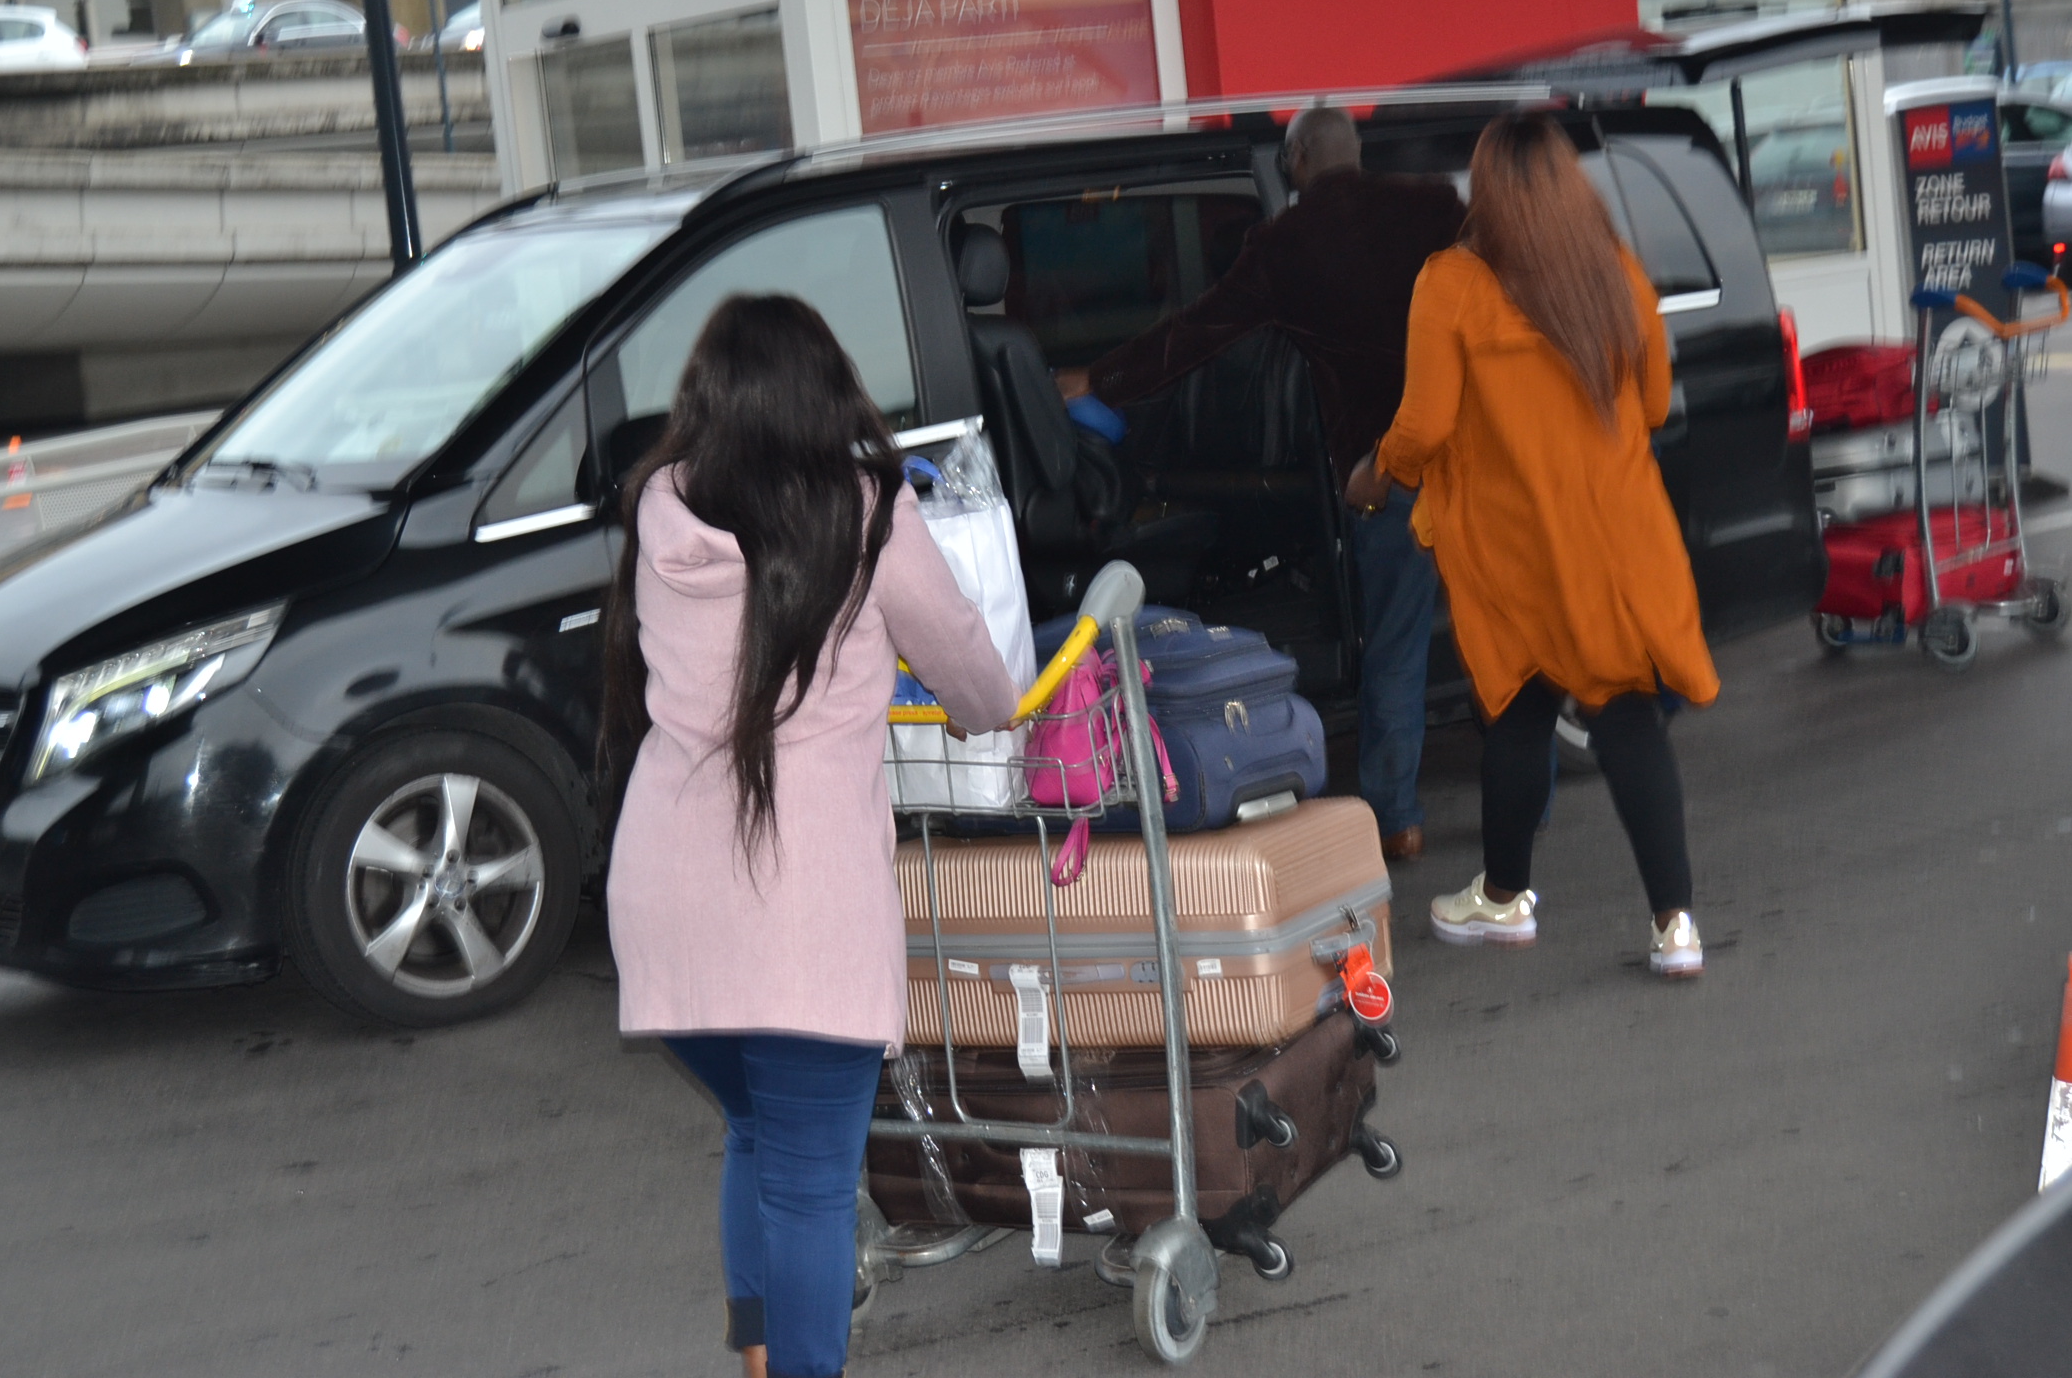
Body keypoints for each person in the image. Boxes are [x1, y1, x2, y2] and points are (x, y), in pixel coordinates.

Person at [601, 295, 1019, 1378]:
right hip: (800, 917)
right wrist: (986, 705)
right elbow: (976, 676)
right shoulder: (866, 513)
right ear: (828, 394)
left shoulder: (657, 511)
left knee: (760, 1136)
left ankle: (759, 1351)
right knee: (808, 1184)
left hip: (663, 903)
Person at [1344, 113, 1717, 979]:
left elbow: (1426, 423)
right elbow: (1656, 402)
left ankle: (1506, 899)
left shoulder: (1452, 283)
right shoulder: (1615, 275)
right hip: (1620, 539)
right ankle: (1676, 927)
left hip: (1520, 549)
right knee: (1625, 716)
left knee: (1517, 706)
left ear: (1488, 192)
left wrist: (1376, 472)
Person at [1055, 106, 1465, 863]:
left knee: (1397, 645)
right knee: (1502, 631)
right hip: (1474, 458)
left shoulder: (1286, 246)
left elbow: (1197, 332)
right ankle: (1521, 798)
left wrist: (1098, 379)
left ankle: (1398, 819)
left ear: (1299, 159)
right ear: (1356, 149)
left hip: (1388, 473)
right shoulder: (1435, 205)